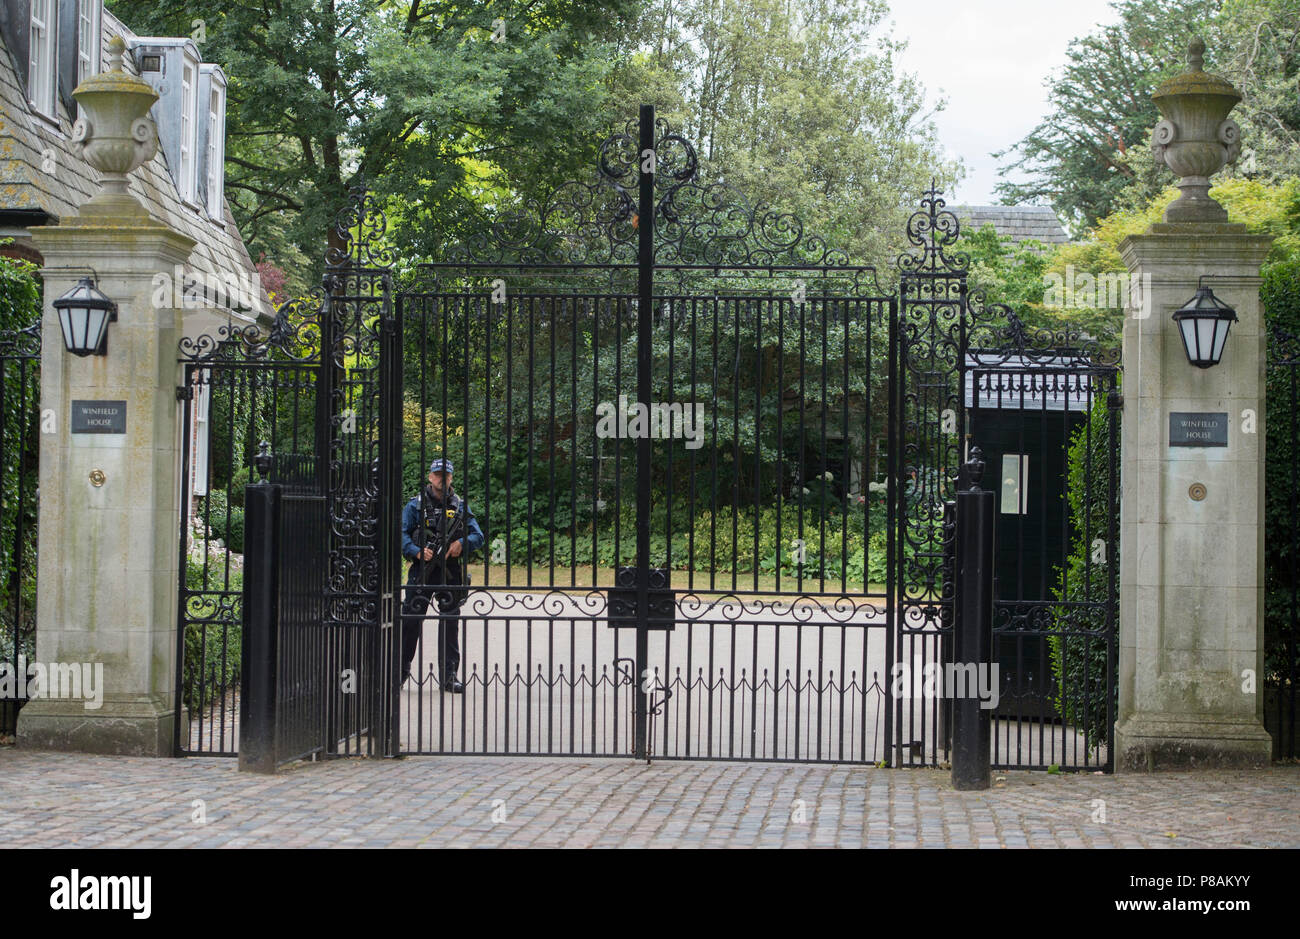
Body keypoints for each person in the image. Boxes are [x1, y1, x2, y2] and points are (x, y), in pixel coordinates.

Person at [400, 457, 484, 693]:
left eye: (446, 475)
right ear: (430, 476)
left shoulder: (459, 506)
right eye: (437, 474)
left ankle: (449, 677)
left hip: (450, 572)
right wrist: (416, 551)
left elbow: (478, 536)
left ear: (451, 478)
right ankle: (400, 673)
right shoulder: (414, 506)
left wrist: (461, 543)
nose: (441, 479)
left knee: (450, 623)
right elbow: (402, 535)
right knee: (411, 621)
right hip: (422, 571)